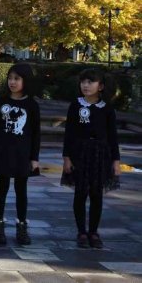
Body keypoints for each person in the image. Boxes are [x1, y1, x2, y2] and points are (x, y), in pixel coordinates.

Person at [61, 68, 121, 249]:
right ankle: (81, 231)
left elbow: (113, 136)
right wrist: (67, 158)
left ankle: (93, 231)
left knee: (96, 194)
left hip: (100, 154)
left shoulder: (107, 109)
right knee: (80, 193)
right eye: (83, 82)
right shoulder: (76, 105)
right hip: (80, 153)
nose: (86, 85)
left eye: (90, 82)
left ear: (100, 86)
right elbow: (69, 133)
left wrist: (116, 161)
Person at [0, 63, 41, 245]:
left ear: (25, 81)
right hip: (3, 152)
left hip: (22, 154)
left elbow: (36, 134)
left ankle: (22, 226)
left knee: (21, 191)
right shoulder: (1, 102)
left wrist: (34, 158)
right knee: (1, 189)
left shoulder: (32, 105)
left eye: (17, 79)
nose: (12, 82)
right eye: (10, 78)